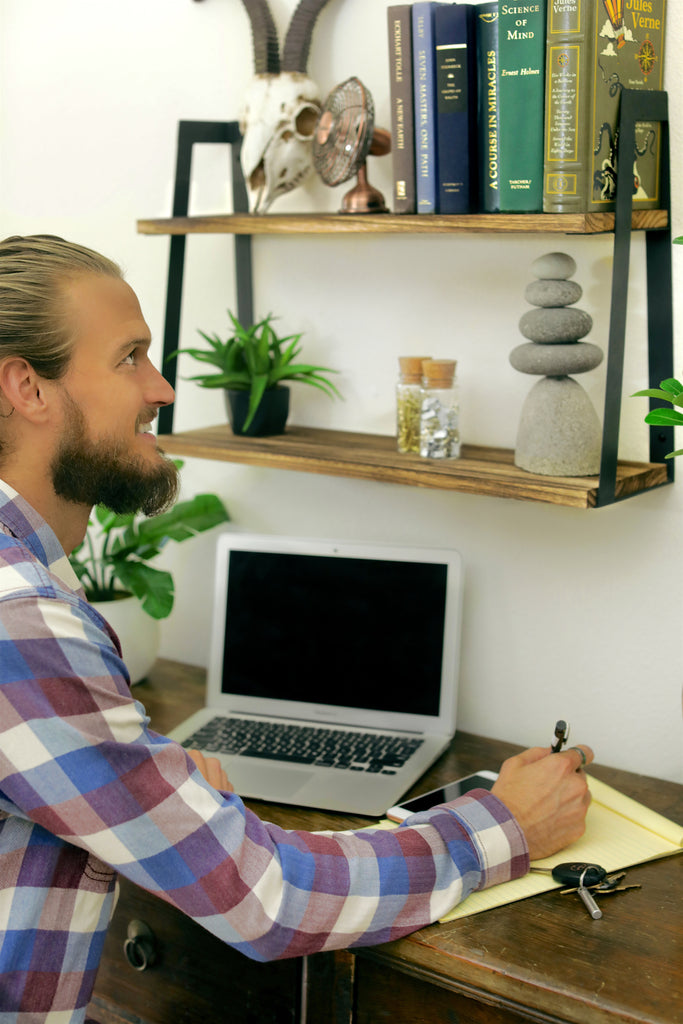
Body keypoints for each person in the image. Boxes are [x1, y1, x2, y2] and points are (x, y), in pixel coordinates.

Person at [0, 235, 593, 1022]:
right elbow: (266, 899)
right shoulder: (22, 620)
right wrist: (507, 822)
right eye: (130, 358)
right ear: (26, 387)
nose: (163, 387)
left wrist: (141, 772)